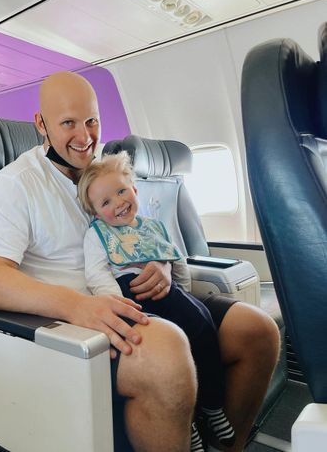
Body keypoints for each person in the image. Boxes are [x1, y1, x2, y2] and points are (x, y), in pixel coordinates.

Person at [0, 70, 280, 452]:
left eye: (91, 121)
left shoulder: (105, 170)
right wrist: (80, 306)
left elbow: (145, 229)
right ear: (41, 124)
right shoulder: (14, 185)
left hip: (139, 296)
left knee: (258, 330)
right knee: (166, 351)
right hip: (72, 324)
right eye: (68, 123)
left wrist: (163, 266)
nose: (84, 137)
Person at [77, 151, 235, 452]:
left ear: (135, 189)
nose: (118, 203)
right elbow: (97, 274)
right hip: (128, 295)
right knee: (172, 351)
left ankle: (213, 406)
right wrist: (120, 309)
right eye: (106, 202)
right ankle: (187, 426)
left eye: (121, 191)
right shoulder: (97, 234)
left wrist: (184, 291)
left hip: (168, 291)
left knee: (202, 325)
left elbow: (176, 261)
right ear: (96, 213)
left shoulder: (154, 227)